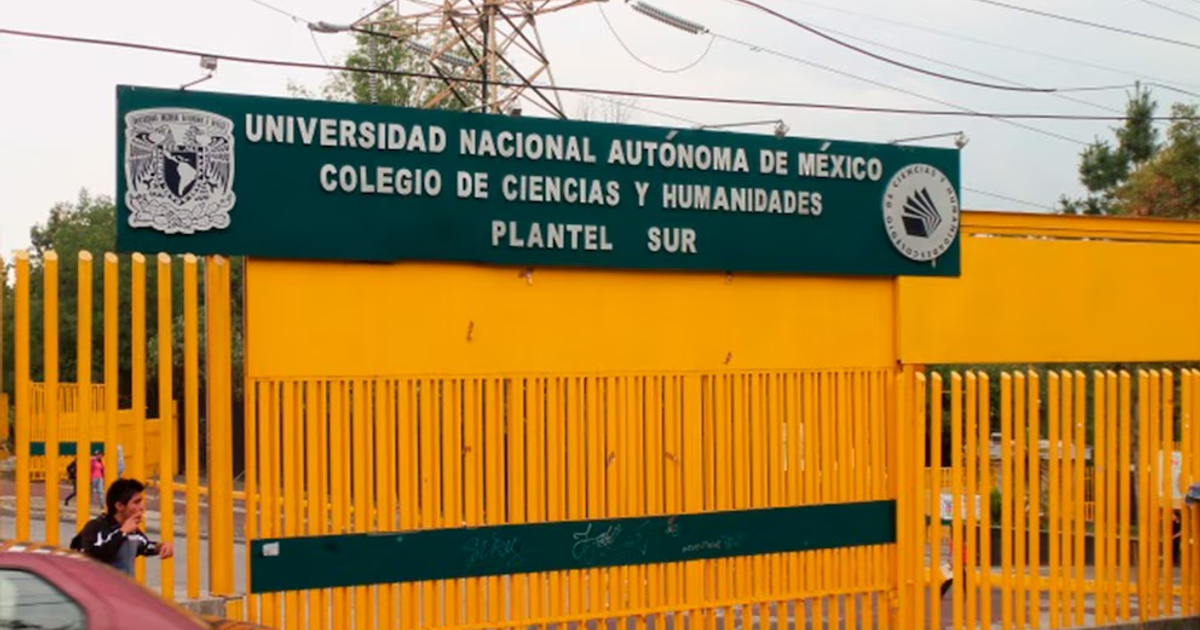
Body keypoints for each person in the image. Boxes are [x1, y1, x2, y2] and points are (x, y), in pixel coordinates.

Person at [69, 478, 174, 577]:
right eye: (136, 502)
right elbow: (93, 559)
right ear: (119, 506)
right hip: (97, 593)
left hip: (123, 592)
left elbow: (145, 545)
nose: (141, 507)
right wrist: (122, 532)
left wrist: (161, 547)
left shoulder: (132, 531)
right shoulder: (95, 527)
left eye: (141, 502)